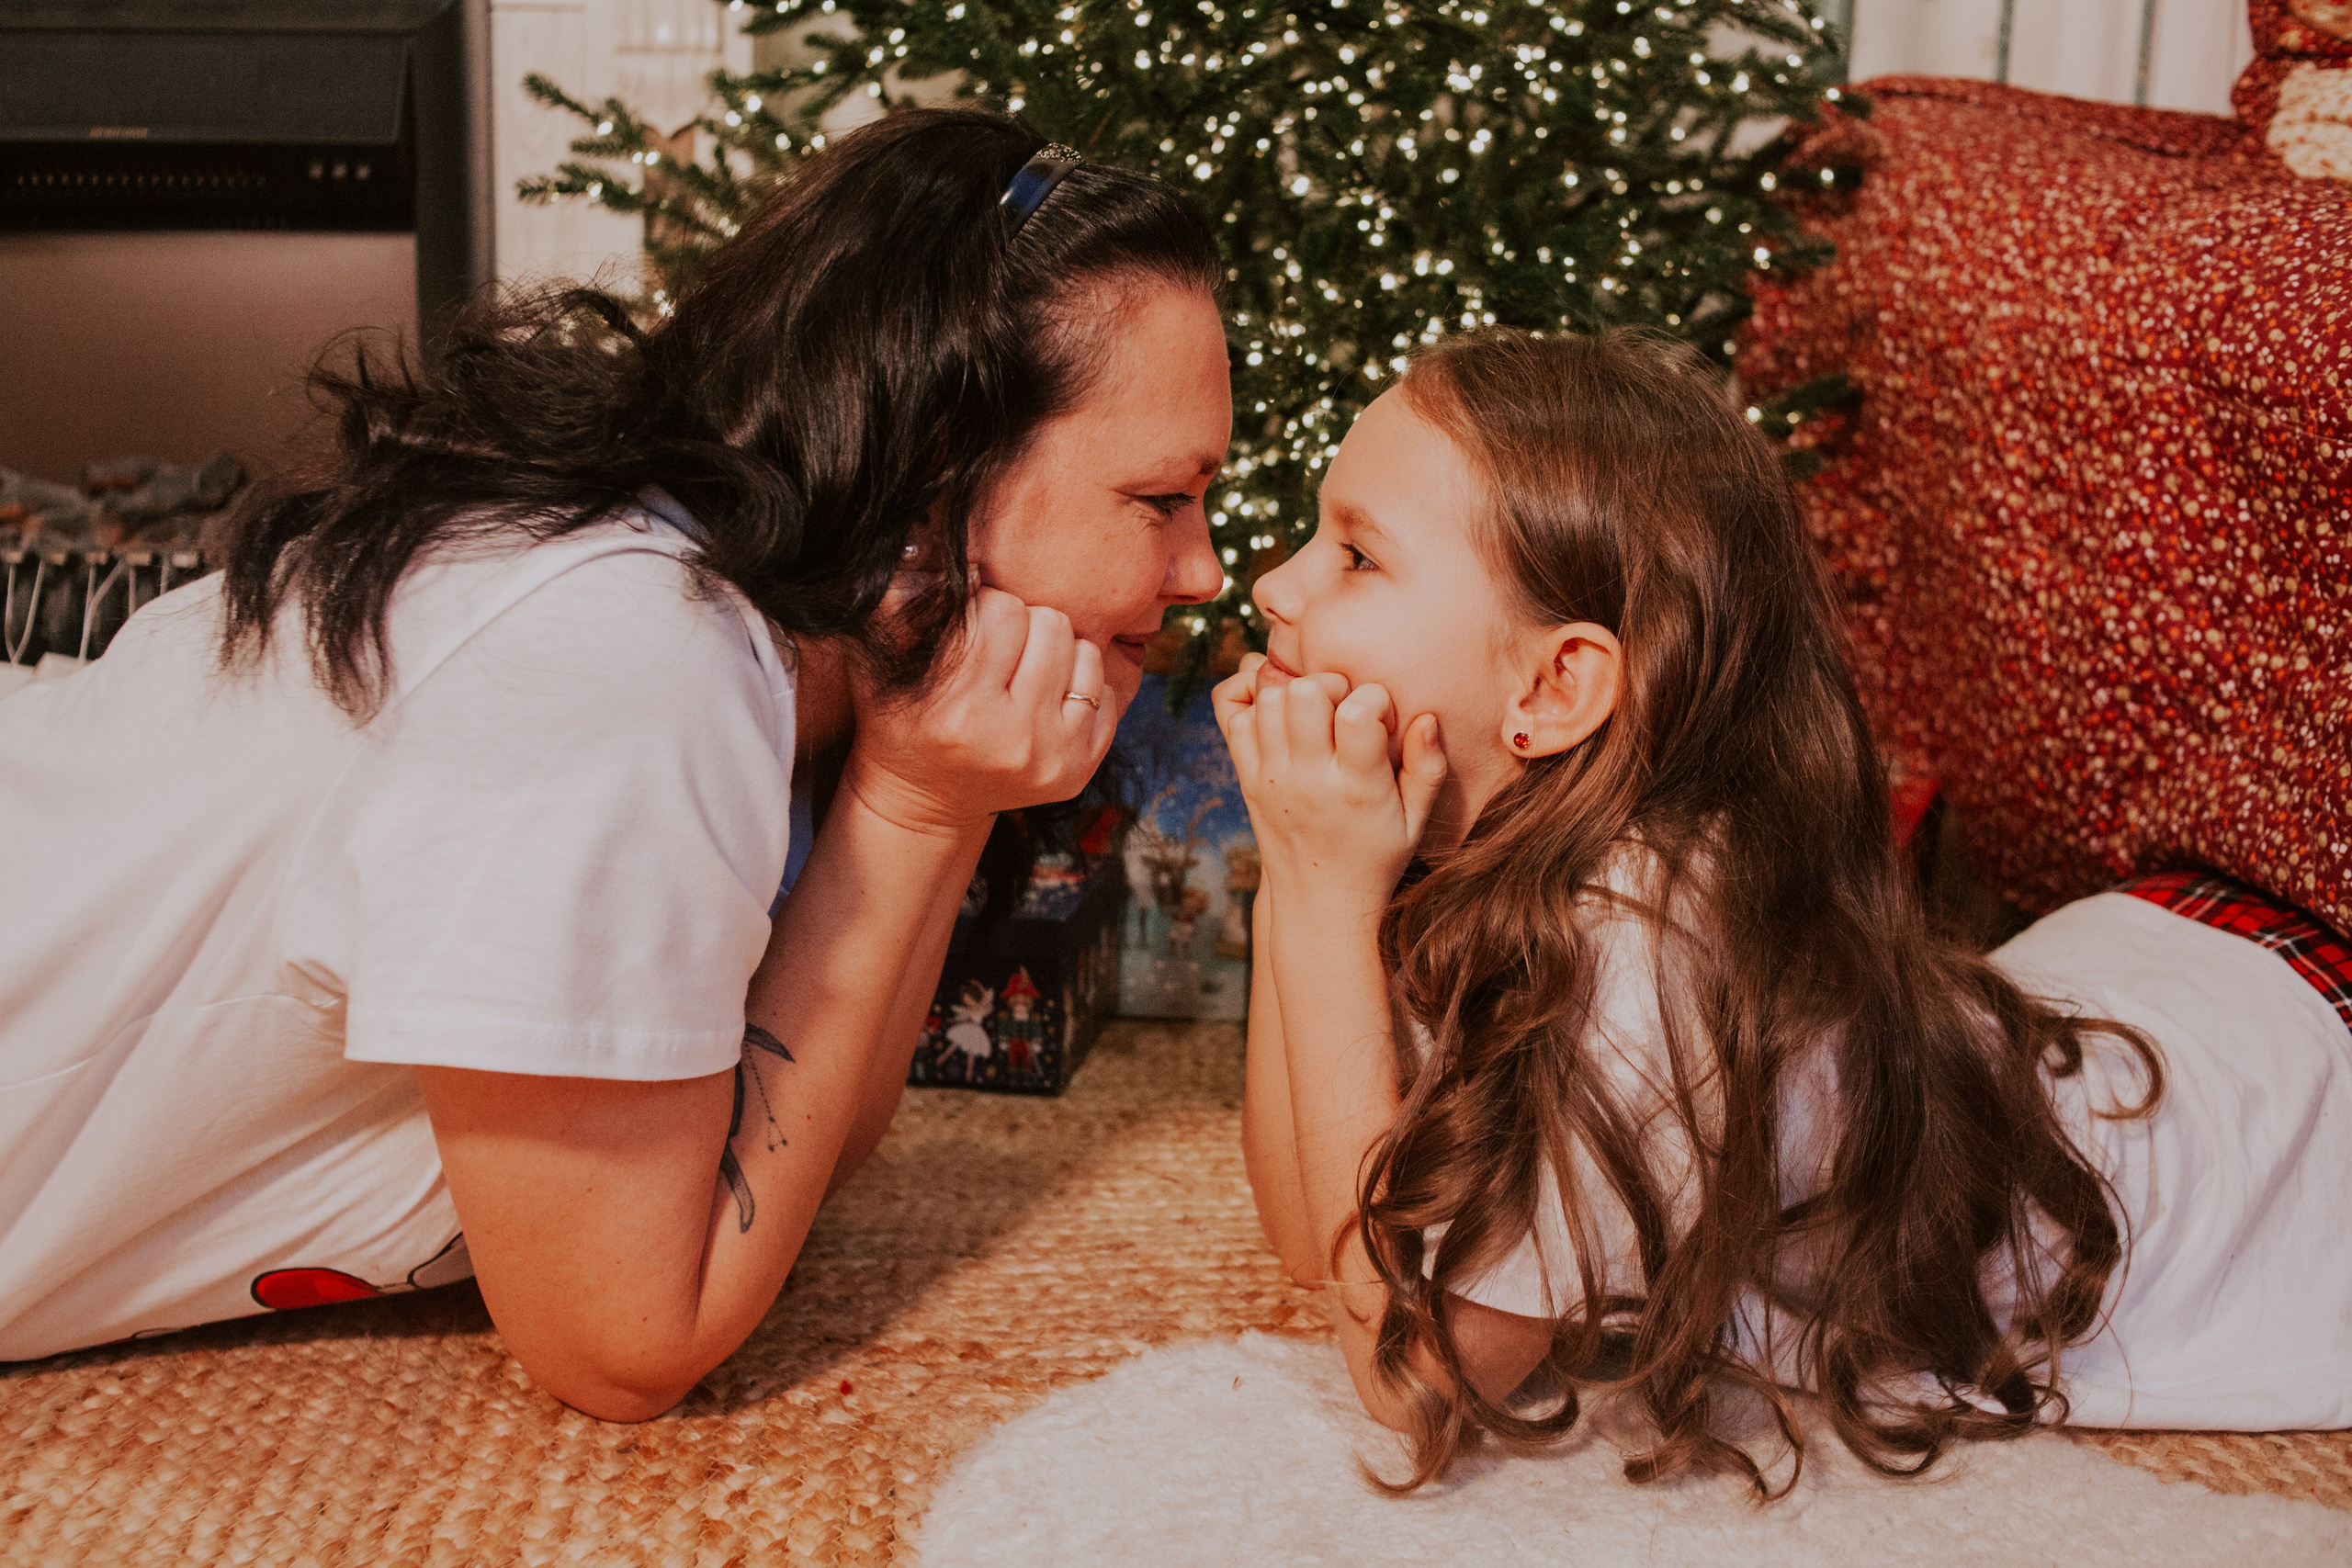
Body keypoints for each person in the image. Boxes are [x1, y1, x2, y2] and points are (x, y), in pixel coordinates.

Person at [0, 108, 1230, 1420]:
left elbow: (799, 1144)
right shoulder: (632, 665)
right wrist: (917, 811)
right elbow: (628, 1338)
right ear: (930, 475)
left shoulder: (761, 641)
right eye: (1160, 499)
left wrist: (937, 794)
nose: (1206, 570)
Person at [1216, 329, 2352, 1493]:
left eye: (1354, 556)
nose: (1275, 586)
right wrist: (1301, 875)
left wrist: (1316, 892)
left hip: (2274, 1095)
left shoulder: (1643, 945)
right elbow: (1318, 1236)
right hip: (2130, 981)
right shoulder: (1468, 830)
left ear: (1551, 688)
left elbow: (1418, 1378)